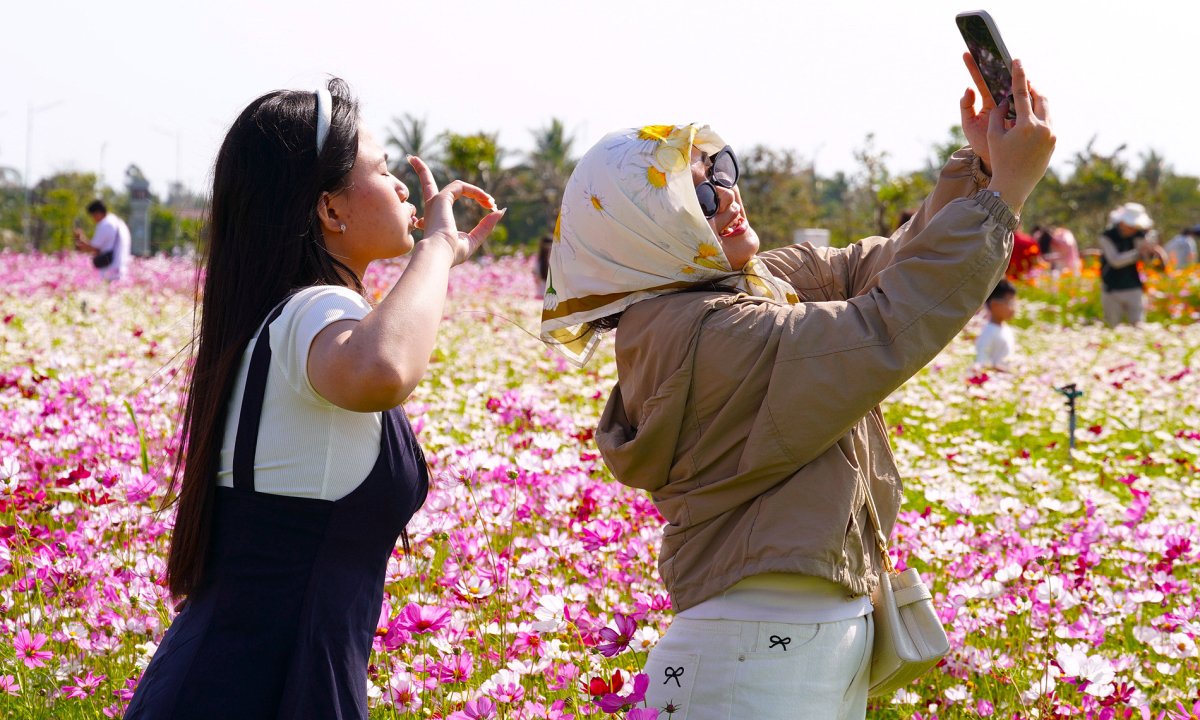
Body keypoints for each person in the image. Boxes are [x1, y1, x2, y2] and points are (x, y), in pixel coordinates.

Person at [540, 58, 1054, 718]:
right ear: (643, 233)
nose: (727, 198)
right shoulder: (706, 332)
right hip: (757, 654)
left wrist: (980, 168)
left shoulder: (733, 293)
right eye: (696, 196)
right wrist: (1001, 199)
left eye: (721, 175)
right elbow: (883, 323)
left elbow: (873, 270)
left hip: (780, 648)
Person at [124, 78, 503, 720]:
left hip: (231, 679)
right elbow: (383, 367)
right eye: (385, 171)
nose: (407, 187)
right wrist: (437, 246)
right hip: (259, 688)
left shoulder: (282, 315)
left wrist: (439, 258)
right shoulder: (316, 309)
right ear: (330, 211)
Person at [1098, 202, 1162, 327]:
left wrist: (1149, 252)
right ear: (1122, 222)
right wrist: (1138, 253)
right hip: (1111, 287)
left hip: (1133, 286)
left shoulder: (1139, 235)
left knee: (1138, 324)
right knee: (1112, 325)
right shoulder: (1107, 236)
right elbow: (1115, 261)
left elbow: (1146, 261)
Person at [73, 199, 131, 281]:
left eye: (93, 216)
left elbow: (94, 247)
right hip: (120, 267)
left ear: (98, 213)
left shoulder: (106, 224)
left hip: (110, 269)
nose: (94, 220)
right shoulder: (118, 222)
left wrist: (80, 238)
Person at [975, 279, 1018, 371]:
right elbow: (982, 362)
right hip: (995, 382)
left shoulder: (1005, 328)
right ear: (994, 304)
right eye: (1010, 303)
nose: (1014, 308)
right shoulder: (988, 332)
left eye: (1015, 303)